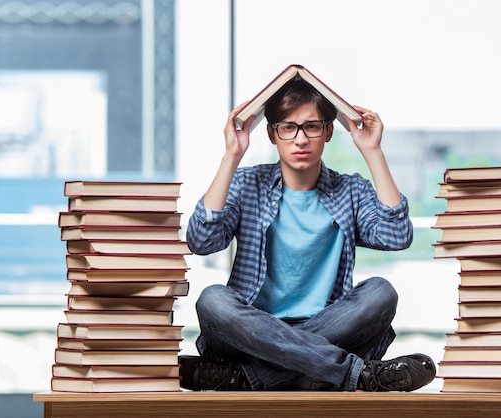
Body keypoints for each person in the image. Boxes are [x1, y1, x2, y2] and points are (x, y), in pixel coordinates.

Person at [179, 77, 436, 392]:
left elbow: (396, 236)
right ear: (273, 134)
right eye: (288, 127)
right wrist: (231, 156)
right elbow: (202, 242)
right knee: (213, 300)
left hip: (330, 329)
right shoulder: (247, 184)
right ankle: (357, 375)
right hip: (251, 331)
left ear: (328, 131)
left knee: (380, 292)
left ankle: (245, 378)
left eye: (312, 126)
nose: (300, 139)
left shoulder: (351, 190)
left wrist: (372, 151)